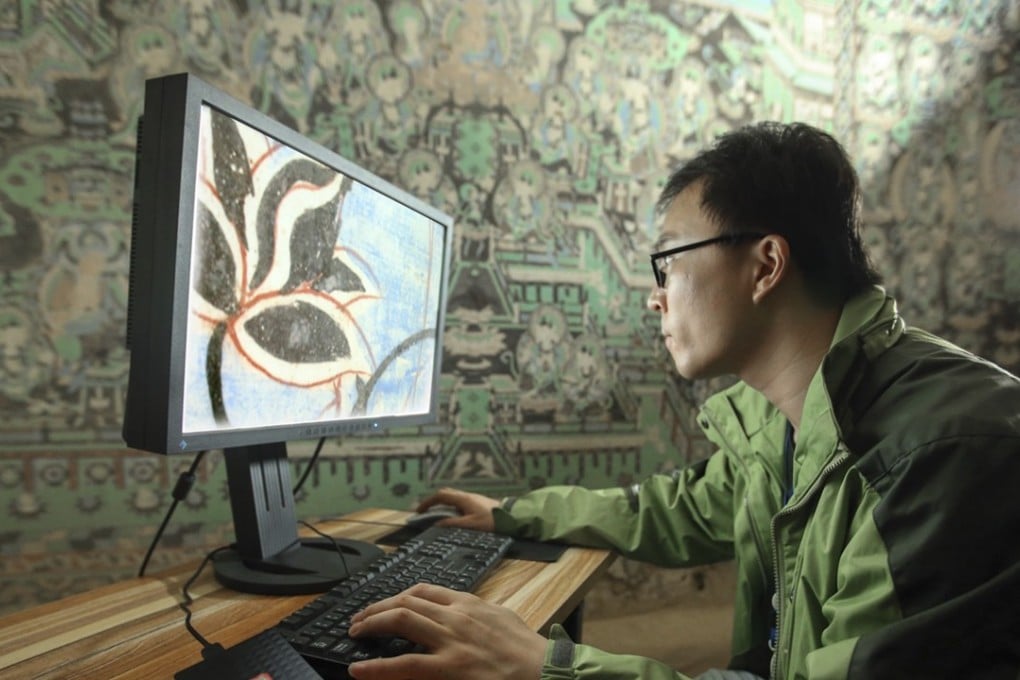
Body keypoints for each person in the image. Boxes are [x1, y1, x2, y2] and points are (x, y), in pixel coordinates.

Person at [345, 122, 1020, 679]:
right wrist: (516, 514)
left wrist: (546, 665)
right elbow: (681, 509)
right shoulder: (781, 417)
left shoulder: (937, 452)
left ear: (765, 265)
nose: (655, 293)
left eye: (668, 261)